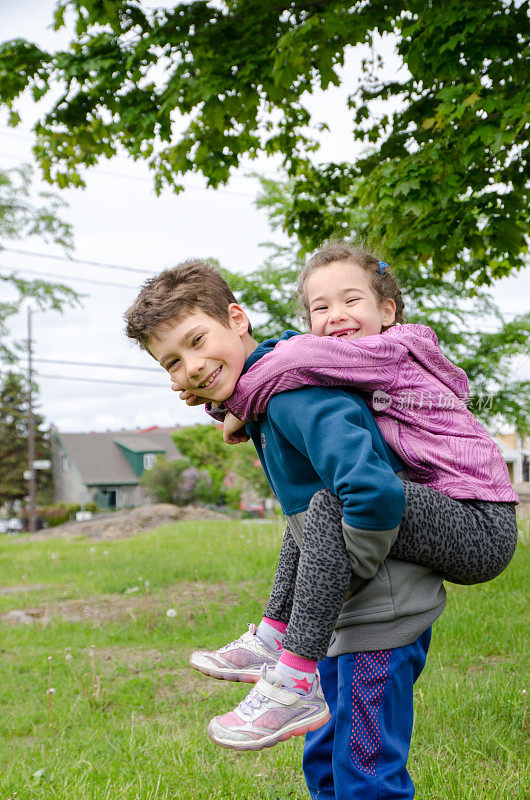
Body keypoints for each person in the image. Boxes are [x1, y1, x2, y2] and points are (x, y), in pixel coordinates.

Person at [124, 258, 447, 798]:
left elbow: (374, 489)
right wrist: (221, 402)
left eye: (198, 340)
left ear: (237, 317)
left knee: (365, 764)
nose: (193, 366)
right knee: (323, 749)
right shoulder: (267, 389)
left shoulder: (296, 395)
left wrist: (347, 575)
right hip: (337, 615)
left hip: (380, 609)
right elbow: (261, 365)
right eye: (172, 363)